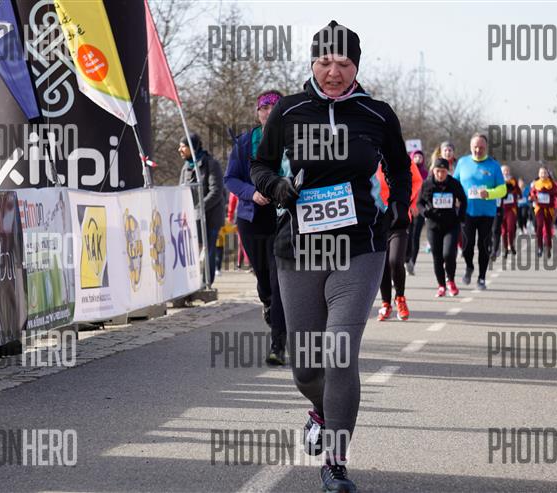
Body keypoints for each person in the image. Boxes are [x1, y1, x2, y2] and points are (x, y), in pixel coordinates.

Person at [250, 20, 411, 492]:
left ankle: (336, 463)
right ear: (312, 63)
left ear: (357, 66)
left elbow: (399, 167)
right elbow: (260, 164)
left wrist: (399, 208)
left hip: (360, 246)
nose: (334, 72)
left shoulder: (377, 114)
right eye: (325, 62)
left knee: (340, 352)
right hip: (299, 247)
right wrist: (275, 185)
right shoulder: (288, 110)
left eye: (343, 63)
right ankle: (321, 409)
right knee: (306, 368)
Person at [224, 89, 288, 365]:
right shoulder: (244, 142)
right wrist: (252, 193)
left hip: (283, 219)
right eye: (264, 108)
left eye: (274, 107)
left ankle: (277, 346)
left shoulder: (293, 141)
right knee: (263, 279)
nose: (269, 112)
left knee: (278, 280)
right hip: (251, 219)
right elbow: (230, 179)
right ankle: (267, 302)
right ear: (257, 112)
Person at [453, 133, 506, 290]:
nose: (478, 150)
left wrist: (489, 193)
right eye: (475, 147)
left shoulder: (493, 165)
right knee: (467, 245)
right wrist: (455, 197)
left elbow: (503, 189)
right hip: (467, 212)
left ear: (486, 147)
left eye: (481, 147)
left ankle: (481, 277)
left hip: (487, 213)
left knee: (483, 246)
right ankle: (469, 266)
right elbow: (454, 183)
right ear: (471, 147)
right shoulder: (462, 162)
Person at [376, 152, 422, 320]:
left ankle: (400, 298)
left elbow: (417, 181)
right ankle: (385, 303)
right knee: (382, 264)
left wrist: (405, 199)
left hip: (399, 218)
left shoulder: (403, 158)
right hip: (377, 219)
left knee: (395, 261)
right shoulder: (371, 157)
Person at [179, 133, 225, 285]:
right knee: (191, 251)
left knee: (208, 250)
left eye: (183, 146)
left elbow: (216, 191)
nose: (179, 149)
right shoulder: (186, 167)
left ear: (192, 148)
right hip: (191, 218)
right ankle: (192, 283)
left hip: (210, 218)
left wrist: (198, 208)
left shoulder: (211, 164)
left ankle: (206, 284)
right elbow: (180, 192)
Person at [418, 158, 466, 296]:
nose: (440, 174)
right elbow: (419, 203)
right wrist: (424, 212)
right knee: (437, 256)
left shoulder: (454, 184)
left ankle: (451, 280)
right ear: (433, 171)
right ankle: (441, 286)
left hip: (451, 225)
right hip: (433, 226)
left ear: (448, 171)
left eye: (443, 171)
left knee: (449, 254)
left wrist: (460, 217)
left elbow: (463, 200)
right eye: (438, 171)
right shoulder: (427, 184)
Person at [529, 167, 557, 257]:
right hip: (539, 208)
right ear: (539, 174)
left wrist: (551, 192)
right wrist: (533, 197)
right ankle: (540, 247)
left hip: (549, 209)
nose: (543, 174)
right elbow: (531, 194)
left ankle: (548, 247)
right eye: (541, 173)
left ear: (548, 174)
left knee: (548, 228)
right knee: (539, 226)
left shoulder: (552, 184)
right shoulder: (536, 184)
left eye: (545, 173)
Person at [405, 150, 426, 275]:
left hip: (418, 209)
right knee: (406, 235)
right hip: (407, 207)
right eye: (415, 156)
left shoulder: (426, 174)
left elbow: (425, 192)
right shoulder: (406, 169)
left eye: (420, 156)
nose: (418, 158)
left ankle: (412, 262)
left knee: (415, 236)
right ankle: (407, 259)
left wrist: (417, 206)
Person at [499, 165, 521, 258]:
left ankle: (511, 245)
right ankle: (505, 249)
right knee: (504, 231)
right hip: (501, 208)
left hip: (511, 208)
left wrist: (514, 192)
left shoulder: (513, 180)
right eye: (504, 171)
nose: (506, 172)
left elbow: (518, 191)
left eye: (507, 170)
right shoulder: (498, 180)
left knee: (511, 228)